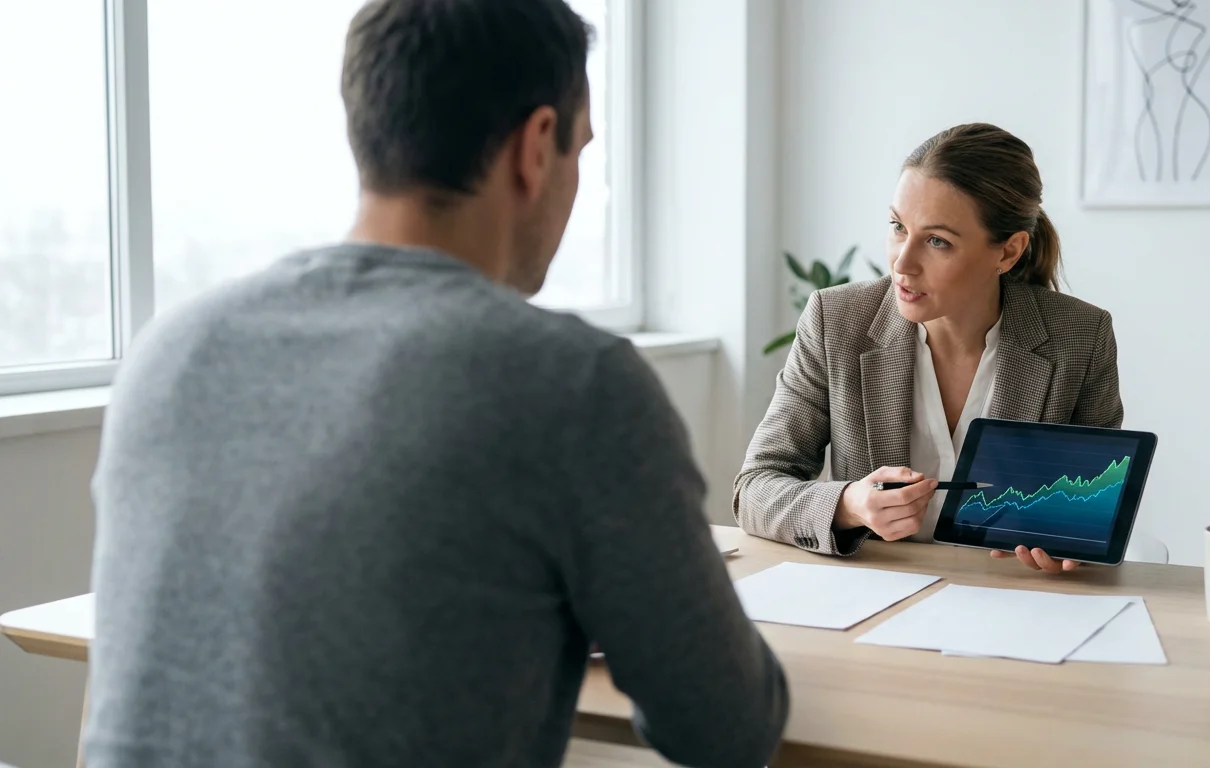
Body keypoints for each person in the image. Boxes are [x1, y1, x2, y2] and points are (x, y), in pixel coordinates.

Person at [84, 1, 788, 766]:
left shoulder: (172, 352)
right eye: (579, 151)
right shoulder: (571, 382)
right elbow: (728, 729)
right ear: (536, 145)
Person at [734, 123, 1123, 574]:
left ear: (1008, 252)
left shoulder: (1082, 336)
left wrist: (1074, 541)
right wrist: (849, 504)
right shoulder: (836, 321)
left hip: (1014, 599)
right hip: (878, 597)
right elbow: (755, 488)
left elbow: (1093, 513)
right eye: (898, 227)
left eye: (937, 241)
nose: (902, 261)